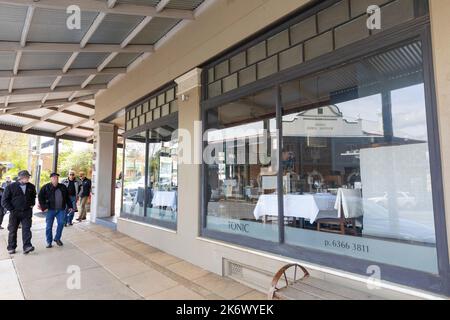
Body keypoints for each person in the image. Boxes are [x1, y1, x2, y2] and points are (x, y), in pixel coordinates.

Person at [1, 170, 36, 255]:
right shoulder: (10, 187)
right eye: (27, 177)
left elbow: (33, 196)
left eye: (28, 177)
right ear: (21, 177)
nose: (28, 178)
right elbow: (4, 200)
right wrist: (11, 209)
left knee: (27, 229)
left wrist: (32, 204)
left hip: (27, 212)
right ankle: (11, 247)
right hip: (14, 213)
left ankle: (27, 246)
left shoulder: (31, 186)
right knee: (12, 230)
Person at [38, 173, 73, 248]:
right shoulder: (45, 187)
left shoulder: (63, 187)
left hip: (61, 210)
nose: (55, 179)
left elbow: (67, 197)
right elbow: (40, 198)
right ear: (50, 179)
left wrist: (70, 206)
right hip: (50, 210)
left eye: (56, 178)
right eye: (53, 178)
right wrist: (44, 207)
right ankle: (49, 242)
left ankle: (57, 238)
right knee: (49, 226)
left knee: (61, 223)